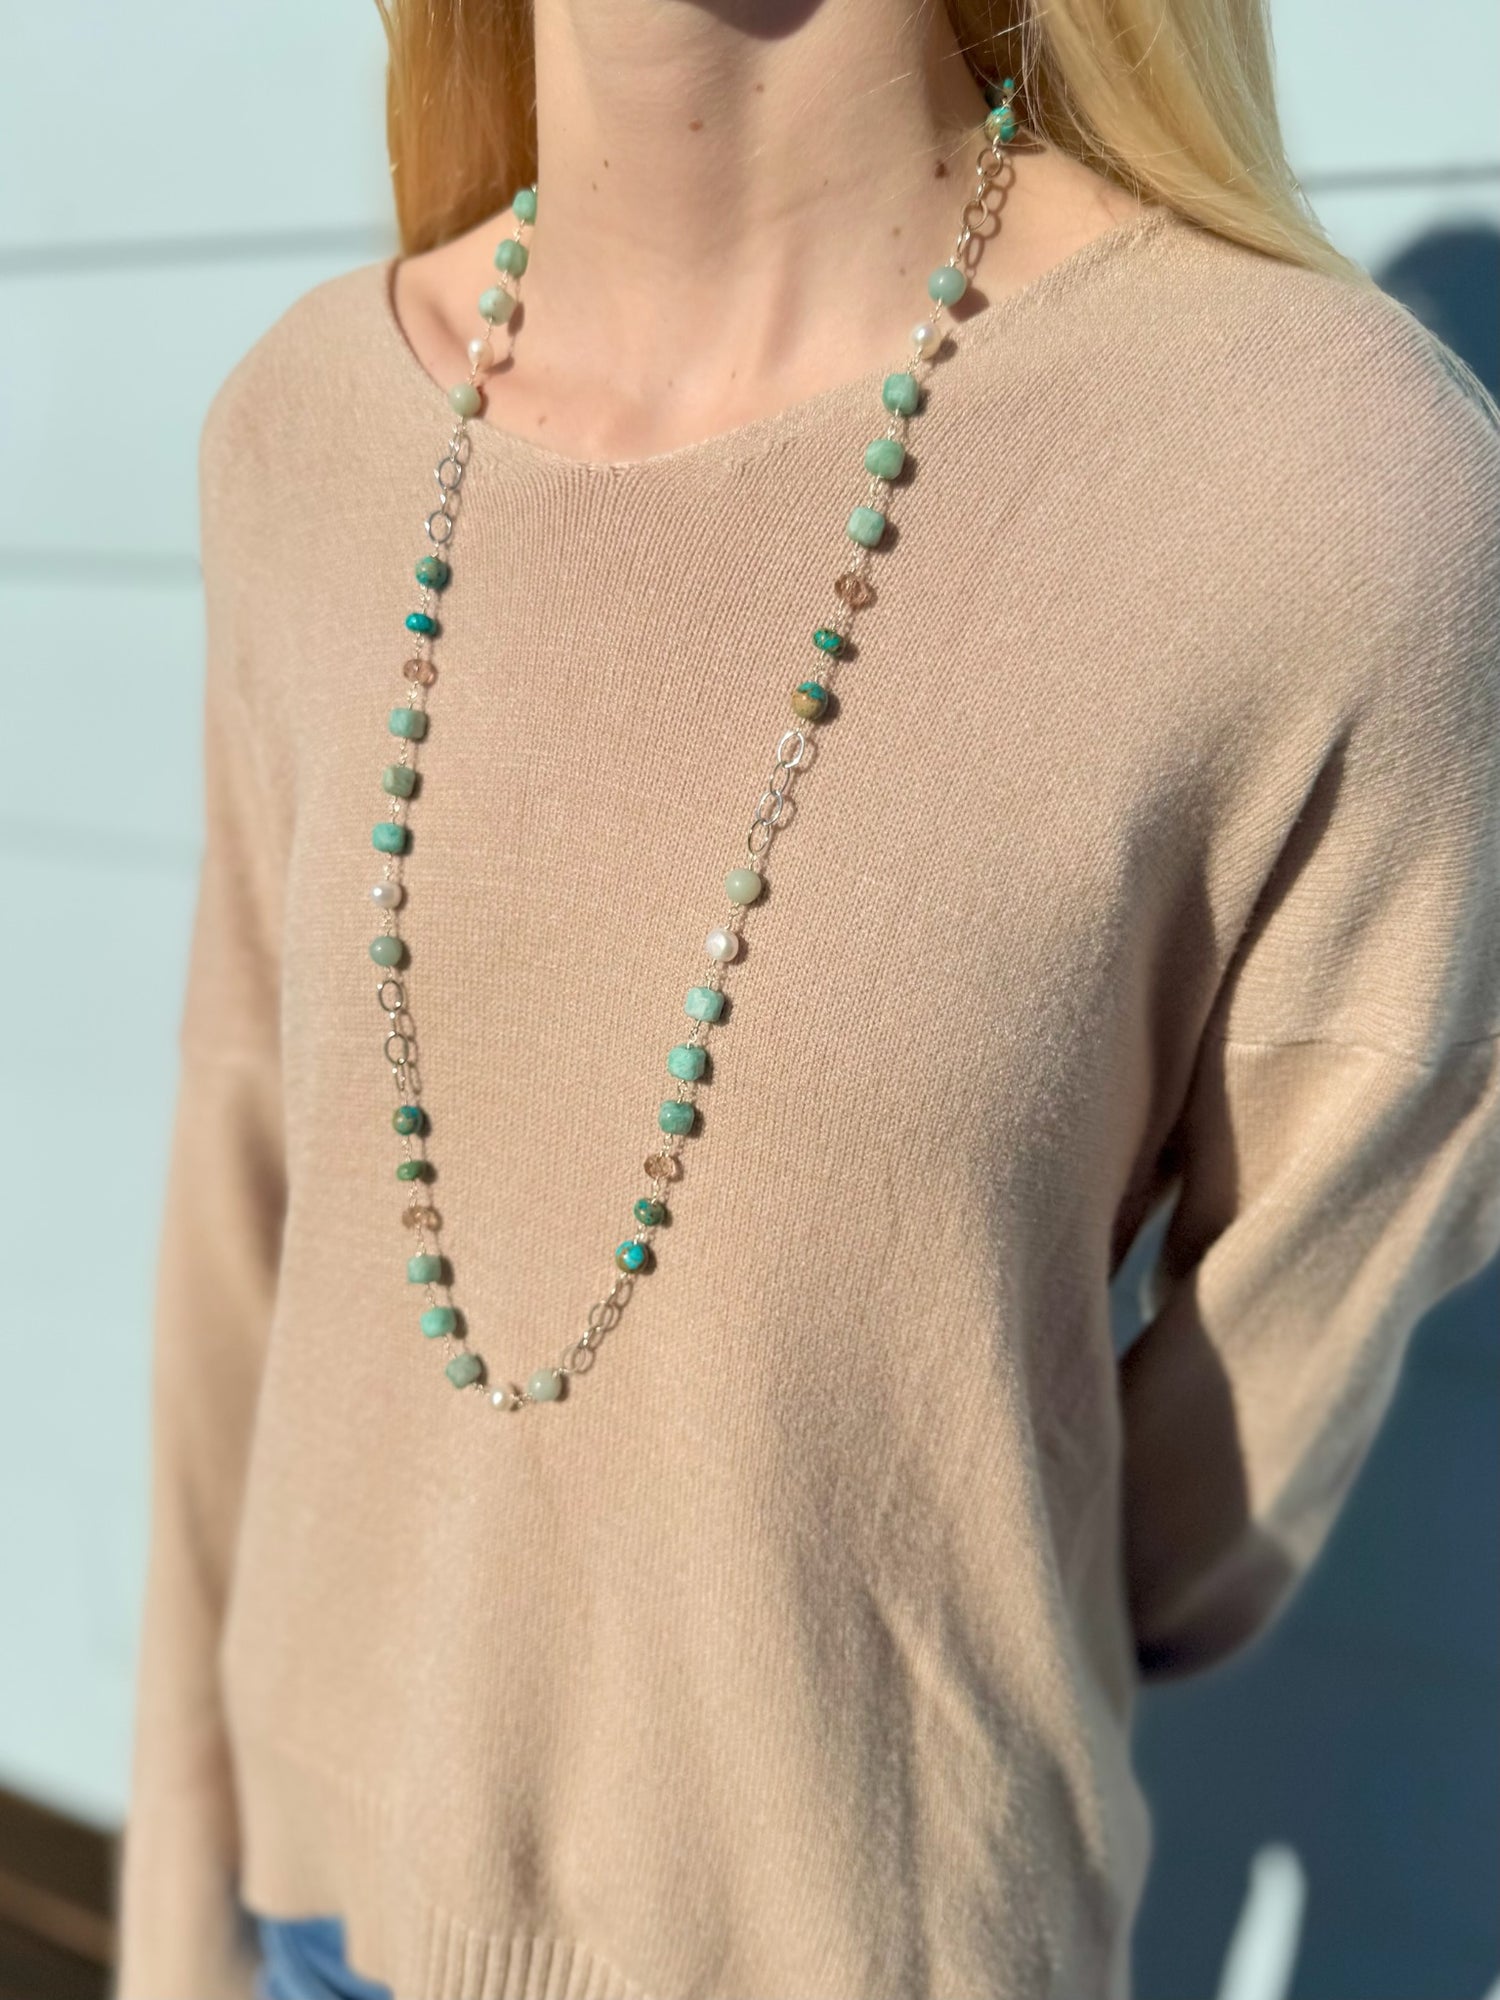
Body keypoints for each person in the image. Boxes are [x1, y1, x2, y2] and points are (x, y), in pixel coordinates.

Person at [114, 0, 1500, 1996]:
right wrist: (170, 1937)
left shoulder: (1331, 489)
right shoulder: (309, 430)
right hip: (315, 1929)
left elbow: (1239, 1440)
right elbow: (240, 1223)